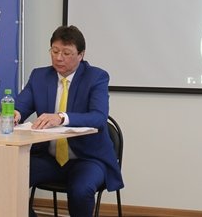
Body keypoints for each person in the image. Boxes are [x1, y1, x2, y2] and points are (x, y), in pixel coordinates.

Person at [14, 25, 123, 217]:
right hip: (49, 158)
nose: (58, 58)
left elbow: (98, 117)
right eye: (54, 51)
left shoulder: (96, 77)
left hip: (88, 158)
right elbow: (21, 106)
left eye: (66, 53)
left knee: (81, 190)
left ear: (81, 55)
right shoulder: (39, 76)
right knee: (9, 178)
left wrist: (61, 117)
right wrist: (14, 114)